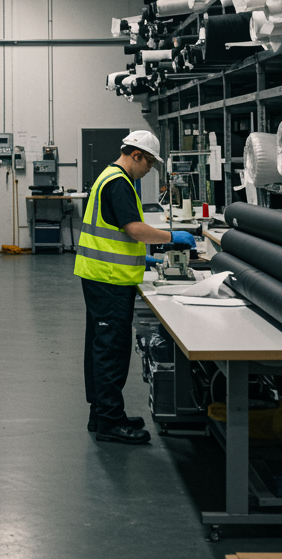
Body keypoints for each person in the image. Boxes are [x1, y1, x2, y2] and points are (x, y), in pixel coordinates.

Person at [74, 130, 197, 445]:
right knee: (111, 352)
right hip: (109, 279)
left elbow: (117, 232)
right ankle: (111, 423)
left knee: (100, 348)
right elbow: (134, 229)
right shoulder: (119, 182)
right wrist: (172, 237)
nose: (149, 170)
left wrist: (141, 259)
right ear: (137, 155)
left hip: (102, 275)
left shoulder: (108, 176)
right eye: (149, 163)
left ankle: (101, 414)